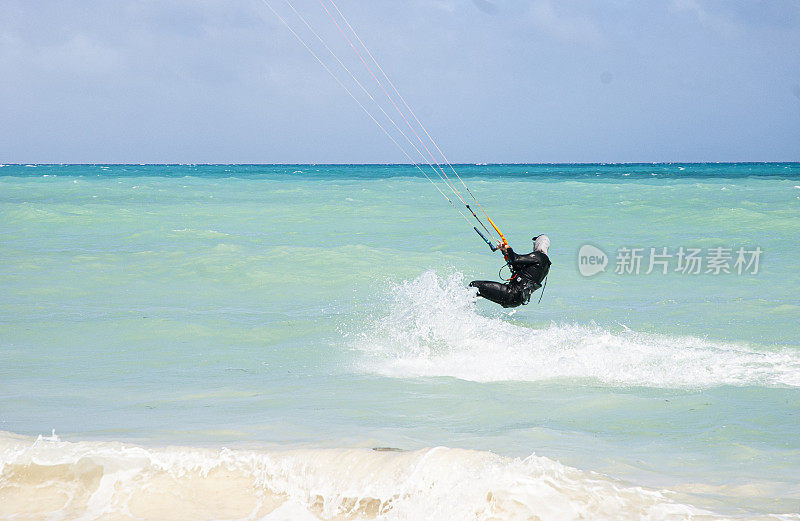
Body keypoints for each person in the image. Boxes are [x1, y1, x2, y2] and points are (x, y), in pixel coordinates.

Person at [469, 235, 551, 308]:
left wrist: (508, 248)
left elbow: (516, 259)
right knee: (478, 292)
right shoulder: (545, 264)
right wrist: (504, 251)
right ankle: (469, 314)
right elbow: (516, 267)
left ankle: (465, 313)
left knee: (474, 286)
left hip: (511, 293)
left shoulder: (539, 256)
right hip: (516, 300)